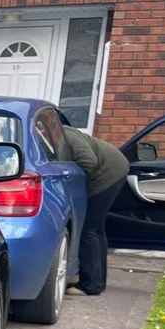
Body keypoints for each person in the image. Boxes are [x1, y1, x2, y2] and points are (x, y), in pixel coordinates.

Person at [61, 125, 131, 295]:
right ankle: (98, 281)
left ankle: (89, 285)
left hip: (107, 174)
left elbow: (88, 162)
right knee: (97, 230)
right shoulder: (62, 133)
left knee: (88, 231)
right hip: (115, 168)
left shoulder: (67, 136)